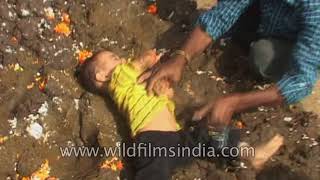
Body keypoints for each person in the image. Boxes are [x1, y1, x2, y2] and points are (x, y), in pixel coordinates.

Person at [78, 49, 284, 179]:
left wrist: (164, 91)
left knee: (209, 134)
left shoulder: (131, 87)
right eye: (114, 58)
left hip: (177, 139)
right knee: (154, 172)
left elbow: (160, 98)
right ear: (102, 75)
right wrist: (147, 58)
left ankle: (250, 154)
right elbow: (136, 64)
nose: (121, 58)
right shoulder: (119, 78)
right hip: (153, 141)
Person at [138, 0, 320, 127]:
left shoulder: (315, 8)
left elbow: (300, 81)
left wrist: (235, 102)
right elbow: (223, 15)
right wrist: (180, 56)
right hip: (266, 17)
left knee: (263, 57)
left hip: (297, 43)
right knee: (203, 25)